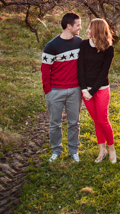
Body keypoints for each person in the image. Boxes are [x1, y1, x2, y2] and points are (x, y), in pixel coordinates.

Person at [41, 12, 83, 163]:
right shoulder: (51, 46)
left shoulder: (80, 43)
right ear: (69, 26)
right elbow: (45, 69)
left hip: (74, 90)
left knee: (74, 123)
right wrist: (48, 90)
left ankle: (74, 151)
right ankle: (56, 151)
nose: (80, 27)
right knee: (54, 124)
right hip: (55, 91)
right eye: (78, 25)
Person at [78, 18, 117, 163]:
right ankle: (102, 150)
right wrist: (83, 89)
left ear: (97, 30)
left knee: (103, 120)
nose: (87, 30)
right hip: (85, 89)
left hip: (100, 89)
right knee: (96, 120)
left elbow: (103, 73)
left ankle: (112, 149)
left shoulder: (109, 48)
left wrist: (91, 91)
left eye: (89, 27)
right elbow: (80, 68)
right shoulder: (83, 44)